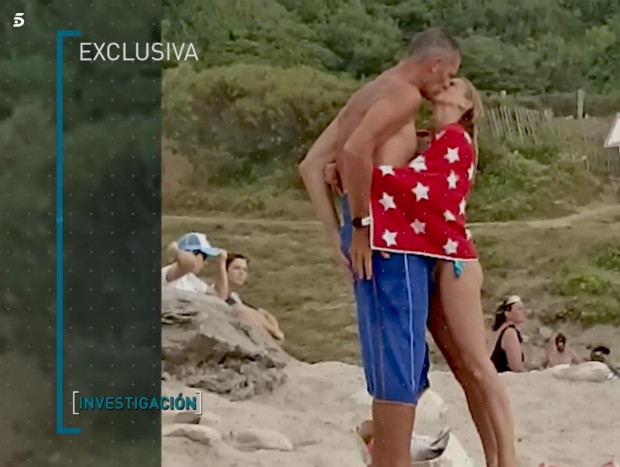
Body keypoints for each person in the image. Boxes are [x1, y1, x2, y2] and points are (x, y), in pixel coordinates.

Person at [300, 27, 517, 466]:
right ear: (436, 65)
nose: (445, 86)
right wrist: (360, 224)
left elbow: (313, 165)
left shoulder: (374, 96)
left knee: (434, 361)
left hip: (410, 246)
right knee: (406, 361)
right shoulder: (406, 99)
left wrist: (339, 229)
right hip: (389, 243)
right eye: (450, 76)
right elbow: (356, 155)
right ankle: (394, 456)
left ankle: (492, 458)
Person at [225, 253, 284, 343]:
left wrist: (275, 329)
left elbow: (265, 313)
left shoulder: (235, 296)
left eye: (245, 270)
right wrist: (274, 332)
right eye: (236, 268)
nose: (241, 273)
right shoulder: (221, 294)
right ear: (225, 270)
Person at [161, 232, 228, 300]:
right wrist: (176, 249)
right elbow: (189, 263)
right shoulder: (169, 273)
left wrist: (222, 263)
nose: (205, 262)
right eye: (204, 257)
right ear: (194, 253)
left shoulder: (191, 279)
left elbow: (220, 296)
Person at [490, 295, 527, 373]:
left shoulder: (499, 331)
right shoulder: (510, 333)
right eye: (519, 309)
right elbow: (516, 368)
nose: (524, 311)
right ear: (507, 313)